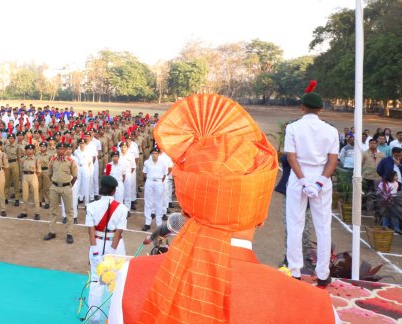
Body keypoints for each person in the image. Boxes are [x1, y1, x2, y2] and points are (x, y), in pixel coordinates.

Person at [108, 94, 336, 323]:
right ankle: (319, 270)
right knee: (322, 225)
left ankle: (296, 266)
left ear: (186, 206)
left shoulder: (130, 278)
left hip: (301, 180)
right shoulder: (318, 308)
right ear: (260, 214)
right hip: (319, 182)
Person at [285, 84, 339, 287]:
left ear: (302, 107)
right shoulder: (331, 130)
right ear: (321, 109)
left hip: (299, 178)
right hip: (321, 178)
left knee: (295, 223)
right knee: (323, 226)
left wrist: (304, 181)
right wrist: (318, 182)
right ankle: (323, 274)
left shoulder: (293, 127)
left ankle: (295, 271)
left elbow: (291, 157)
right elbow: (332, 161)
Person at [85, 175, 127, 321]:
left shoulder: (91, 206)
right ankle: (113, 317)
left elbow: (90, 231)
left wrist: (95, 251)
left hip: (96, 244)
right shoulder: (122, 208)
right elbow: (118, 233)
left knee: (97, 282)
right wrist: (111, 253)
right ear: (114, 190)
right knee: (115, 282)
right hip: (115, 248)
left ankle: (93, 317)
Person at [44, 142, 79, 244]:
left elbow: (75, 176)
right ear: (56, 150)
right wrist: (54, 183)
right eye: (58, 149)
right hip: (54, 187)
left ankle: (69, 233)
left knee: (69, 211)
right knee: (53, 210)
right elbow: (49, 174)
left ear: (66, 150)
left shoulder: (71, 161)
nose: (60, 151)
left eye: (63, 149)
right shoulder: (52, 160)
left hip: (66, 187)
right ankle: (52, 231)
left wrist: (69, 185)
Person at [141, 148, 168, 232]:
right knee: (148, 202)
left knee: (159, 202)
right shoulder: (147, 162)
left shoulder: (163, 163)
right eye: (153, 153)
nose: (154, 155)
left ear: (158, 154)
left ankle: (159, 223)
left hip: (159, 182)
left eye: (156, 153)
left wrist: (159, 181)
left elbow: (164, 175)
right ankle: (147, 223)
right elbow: (144, 173)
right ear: (151, 154)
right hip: (149, 181)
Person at [18, 143, 41, 220]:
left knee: (35, 195)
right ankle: (24, 212)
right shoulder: (23, 159)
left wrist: (34, 177)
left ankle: (37, 213)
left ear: (34, 150)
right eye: (28, 149)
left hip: (33, 176)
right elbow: (21, 168)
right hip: (25, 176)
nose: (29, 151)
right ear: (25, 150)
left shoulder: (36, 159)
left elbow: (39, 171)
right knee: (25, 195)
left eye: (31, 149)